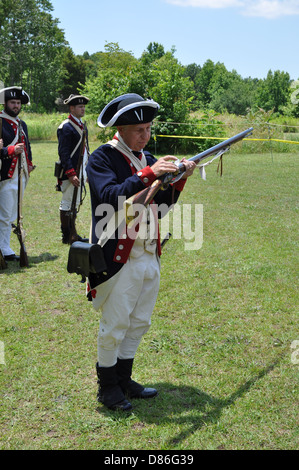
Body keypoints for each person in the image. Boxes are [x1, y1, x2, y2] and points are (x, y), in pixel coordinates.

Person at [86, 93, 196, 411]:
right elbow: (109, 198)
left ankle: (124, 380)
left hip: (149, 251)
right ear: (121, 128)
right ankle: (107, 388)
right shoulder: (102, 158)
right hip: (119, 256)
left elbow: (158, 208)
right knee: (115, 324)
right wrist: (149, 175)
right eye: (139, 129)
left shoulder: (145, 157)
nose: (145, 135)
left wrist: (177, 181)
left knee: (139, 322)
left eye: (148, 128)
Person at [0, 86, 33, 261]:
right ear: (5, 103)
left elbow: (27, 146)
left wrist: (30, 163)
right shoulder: (0, 122)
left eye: (18, 103)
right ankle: (4, 247)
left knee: (13, 213)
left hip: (20, 175)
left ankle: (3, 244)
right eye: (12, 102)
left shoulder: (22, 124)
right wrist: (11, 150)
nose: (15, 106)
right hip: (4, 174)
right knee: (5, 214)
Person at [57, 94, 90, 244]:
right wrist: (70, 173)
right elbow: (63, 153)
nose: (83, 109)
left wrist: (88, 169)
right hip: (70, 171)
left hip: (81, 169)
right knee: (67, 203)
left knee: (75, 203)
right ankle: (67, 235)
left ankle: (73, 232)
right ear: (72, 108)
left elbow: (86, 149)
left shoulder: (82, 125)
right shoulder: (66, 126)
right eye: (79, 106)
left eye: (83, 106)